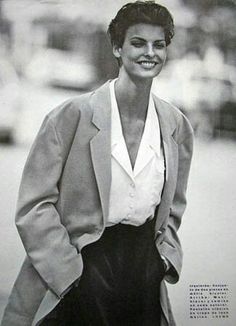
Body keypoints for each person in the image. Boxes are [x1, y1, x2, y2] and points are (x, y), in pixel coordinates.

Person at [1, 1, 194, 325]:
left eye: (158, 44)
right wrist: (69, 272)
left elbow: (174, 206)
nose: (150, 52)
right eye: (138, 42)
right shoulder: (71, 116)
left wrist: (163, 259)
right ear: (117, 48)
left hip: (143, 269)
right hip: (81, 265)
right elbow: (34, 206)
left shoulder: (176, 126)